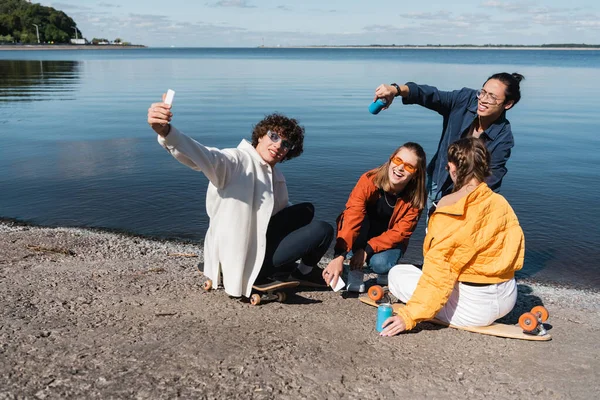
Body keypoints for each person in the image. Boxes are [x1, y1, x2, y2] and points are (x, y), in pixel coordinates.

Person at [147, 94, 334, 298]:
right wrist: (166, 133)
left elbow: (278, 210)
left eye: (286, 144)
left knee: (305, 210)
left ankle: (272, 266)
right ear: (260, 136)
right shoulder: (236, 161)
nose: (279, 145)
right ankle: (292, 273)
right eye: (274, 136)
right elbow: (205, 156)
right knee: (322, 229)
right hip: (241, 253)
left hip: (256, 240)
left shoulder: (273, 174)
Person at [380, 137, 524, 336]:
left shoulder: (449, 208)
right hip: (507, 295)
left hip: (476, 308)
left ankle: (443, 310)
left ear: (453, 168)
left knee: (396, 275)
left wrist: (409, 316)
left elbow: (439, 275)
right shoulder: (499, 202)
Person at [373, 72, 524, 220]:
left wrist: (453, 202)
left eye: (492, 97)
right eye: (483, 92)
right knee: (431, 227)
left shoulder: (503, 138)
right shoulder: (465, 99)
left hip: (466, 196)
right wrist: (396, 90)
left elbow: (491, 180)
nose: (483, 100)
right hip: (437, 180)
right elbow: (430, 95)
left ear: (508, 104)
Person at [322, 142, 427, 292]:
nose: (400, 168)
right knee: (356, 220)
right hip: (362, 233)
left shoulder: (416, 198)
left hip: (388, 241)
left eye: (409, 167)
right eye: (398, 160)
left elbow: (400, 233)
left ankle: (383, 271)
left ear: (416, 173)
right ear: (391, 159)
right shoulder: (369, 180)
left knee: (381, 264)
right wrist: (339, 255)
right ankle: (355, 270)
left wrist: (367, 250)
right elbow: (353, 216)